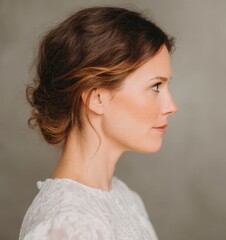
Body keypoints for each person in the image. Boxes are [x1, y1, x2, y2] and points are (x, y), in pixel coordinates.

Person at [19, 7, 177, 239]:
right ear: (97, 98)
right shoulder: (69, 225)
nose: (171, 106)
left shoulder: (125, 198)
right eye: (155, 86)